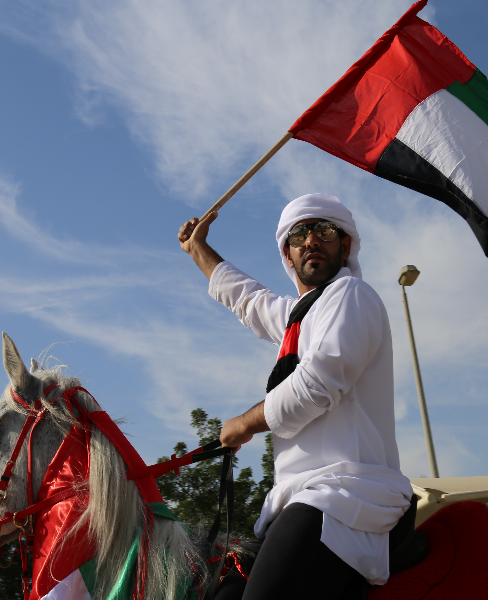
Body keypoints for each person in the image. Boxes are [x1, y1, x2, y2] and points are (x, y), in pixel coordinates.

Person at [178, 193, 414, 600]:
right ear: (288, 255)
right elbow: (248, 299)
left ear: (345, 245)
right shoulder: (299, 317)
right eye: (299, 234)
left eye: (324, 231)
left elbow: (316, 384)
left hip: (349, 495)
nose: (311, 241)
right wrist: (198, 249)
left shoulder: (351, 296)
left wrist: (243, 424)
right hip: (301, 500)